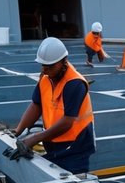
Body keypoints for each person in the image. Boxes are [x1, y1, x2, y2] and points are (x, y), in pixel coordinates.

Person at [11, 37, 96, 175]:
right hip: (53, 144)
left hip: (75, 148)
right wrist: (18, 131)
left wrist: (35, 138)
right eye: (43, 65)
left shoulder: (75, 83)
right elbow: (36, 105)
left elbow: (67, 121)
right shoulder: (45, 78)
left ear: (63, 62)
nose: (45, 70)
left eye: (50, 66)